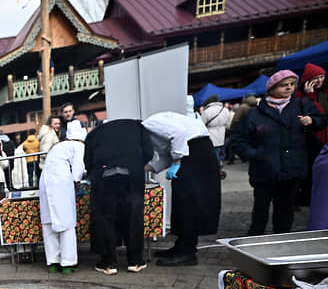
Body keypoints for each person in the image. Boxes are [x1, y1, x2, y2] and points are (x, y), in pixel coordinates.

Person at [232, 69, 327, 235]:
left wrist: (312, 120)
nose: (289, 88)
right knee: (260, 212)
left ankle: (281, 245)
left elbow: (322, 121)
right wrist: (255, 154)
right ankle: (255, 243)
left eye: (292, 84)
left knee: (285, 212)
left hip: (292, 169)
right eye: (284, 85)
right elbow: (239, 140)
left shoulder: (302, 105)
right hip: (264, 171)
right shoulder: (254, 114)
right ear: (272, 88)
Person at [142, 112, 221, 266]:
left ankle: (187, 252)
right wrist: (146, 168)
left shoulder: (150, 124)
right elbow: (166, 157)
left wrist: (177, 160)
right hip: (192, 153)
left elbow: (180, 134)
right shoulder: (151, 133)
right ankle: (182, 245)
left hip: (196, 152)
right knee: (182, 201)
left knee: (190, 202)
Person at [84, 119, 153, 274]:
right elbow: (148, 152)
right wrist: (135, 163)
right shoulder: (137, 127)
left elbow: (87, 161)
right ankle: (135, 262)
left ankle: (108, 263)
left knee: (105, 217)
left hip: (104, 175)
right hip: (132, 174)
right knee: (133, 216)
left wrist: (93, 173)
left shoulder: (94, 133)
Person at [39, 131, 84, 273]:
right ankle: (68, 263)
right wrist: (77, 182)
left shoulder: (60, 146)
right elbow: (78, 169)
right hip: (61, 181)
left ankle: (53, 261)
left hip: (45, 181)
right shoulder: (79, 146)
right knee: (66, 221)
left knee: (49, 221)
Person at [296, 63, 328, 206]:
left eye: (322, 77)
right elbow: (315, 112)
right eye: (316, 77)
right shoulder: (298, 95)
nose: (320, 80)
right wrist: (309, 96)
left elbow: (322, 116)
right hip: (307, 138)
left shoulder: (324, 93)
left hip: (322, 136)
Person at [200, 94, 232, 169]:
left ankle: (216, 168)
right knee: (219, 151)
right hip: (221, 135)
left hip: (211, 135)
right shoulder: (225, 110)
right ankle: (219, 165)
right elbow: (228, 124)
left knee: (213, 153)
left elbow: (202, 124)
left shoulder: (207, 111)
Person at [227, 95, 258, 164]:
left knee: (233, 143)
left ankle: (231, 160)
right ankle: (246, 158)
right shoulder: (255, 107)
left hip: (240, 128)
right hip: (251, 128)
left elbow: (236, 119)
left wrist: (232, 128)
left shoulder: (243, 107)